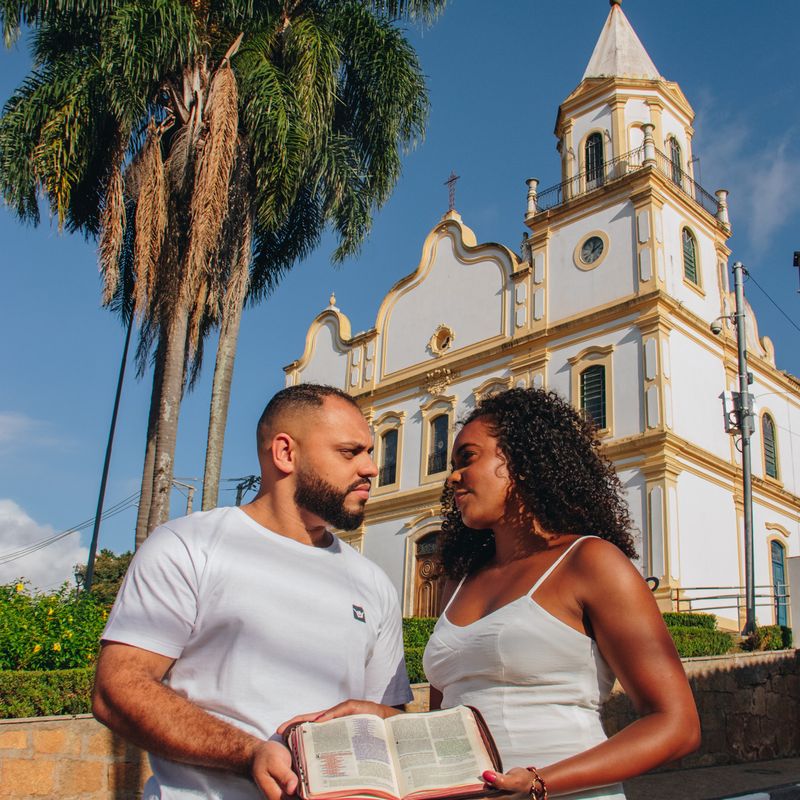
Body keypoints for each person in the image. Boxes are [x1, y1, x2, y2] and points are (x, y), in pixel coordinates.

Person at [289, 388, 700, 799]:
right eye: (452, 465)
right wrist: (384, 720)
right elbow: (451, 727)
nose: (452, 477)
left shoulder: (590, 562)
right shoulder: (458, 583)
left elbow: (676, 725)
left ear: (522, 461)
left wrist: (540, 781)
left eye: (468, 458)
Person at [92, 384, 412, 800]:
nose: (371, 467)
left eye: (369, 452)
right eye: (350, 453)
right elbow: (118, 688)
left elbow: (390, 715)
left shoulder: (374, 582)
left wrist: (384, 719)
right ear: (285, 453)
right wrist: (249, 754)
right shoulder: (190, 545)